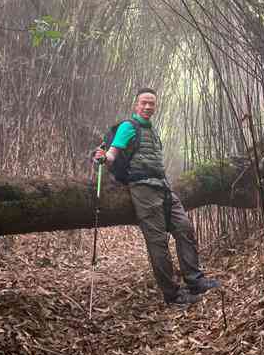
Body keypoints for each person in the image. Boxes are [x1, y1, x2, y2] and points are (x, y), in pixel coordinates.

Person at [95, 88, 221, 306]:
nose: (147, 107)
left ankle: (195, 280)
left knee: (184, 228)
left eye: (151, 104)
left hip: (163, 187)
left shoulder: (152, 130)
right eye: (144, 103)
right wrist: (102, 157)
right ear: (136, 105)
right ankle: (172, 295)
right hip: (143, 188)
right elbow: (112, 156)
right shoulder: (128, 126)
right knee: (158, 242)